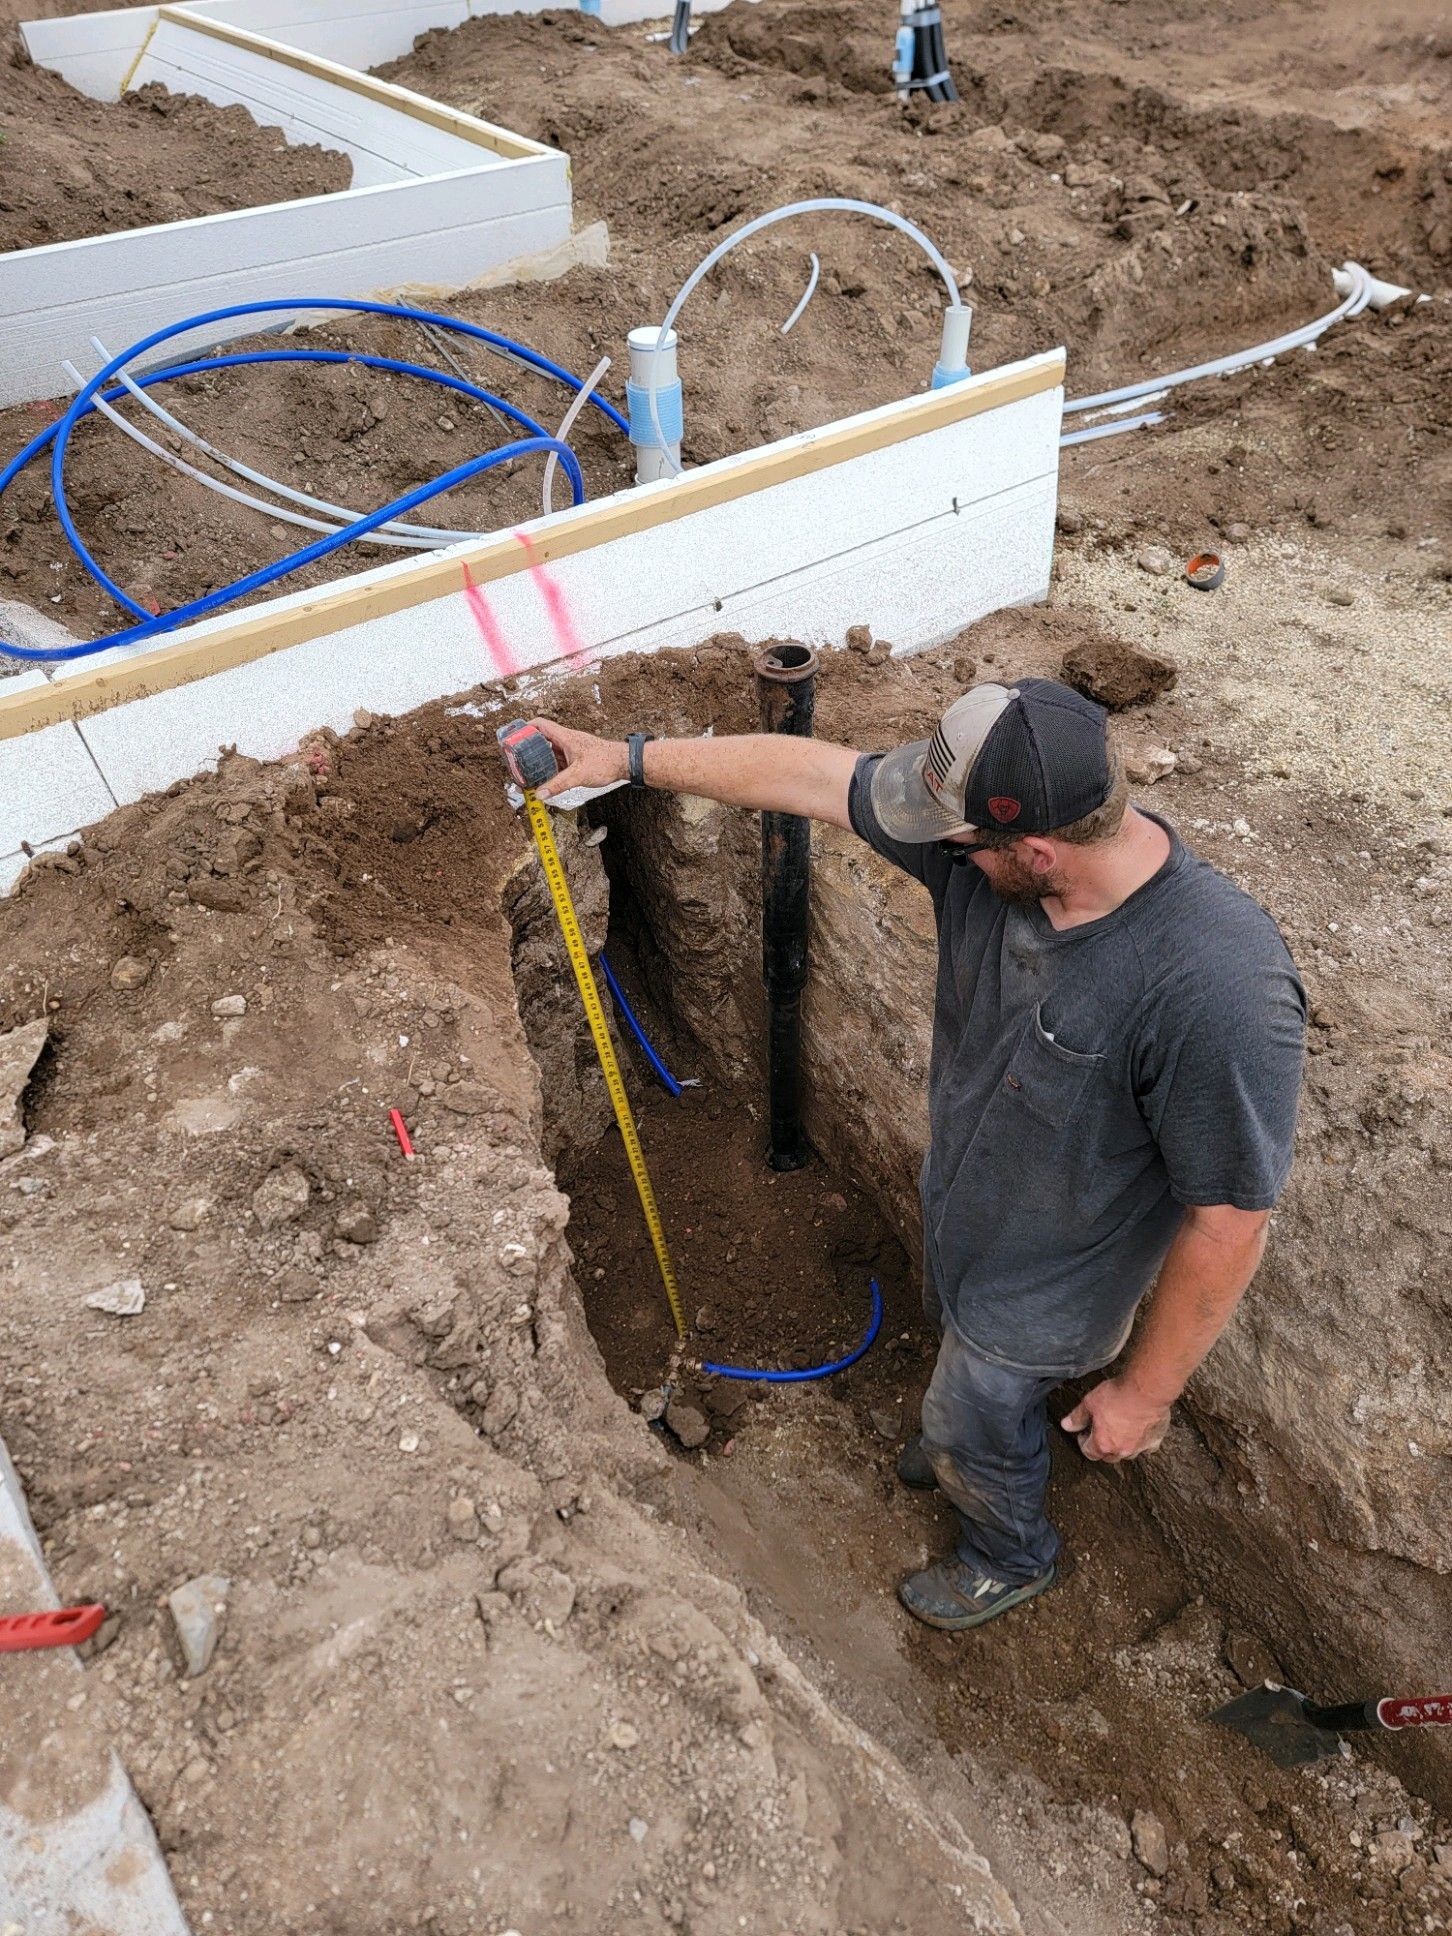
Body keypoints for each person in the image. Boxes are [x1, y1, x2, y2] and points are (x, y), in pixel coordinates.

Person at [529, 677, 1306, 1632]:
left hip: (1046, 1293)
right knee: (960, 1387)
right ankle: (963, 1435)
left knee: (974, 1415)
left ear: (1035, 849)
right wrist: (628, 758)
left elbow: (1230, 1221)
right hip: (964, 1210)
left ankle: (1008, 1551)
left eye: (961, 843)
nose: (942, 851)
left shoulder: (1216, 989)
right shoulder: (987, 857)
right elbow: (817, 778)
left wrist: (1145, 1394)